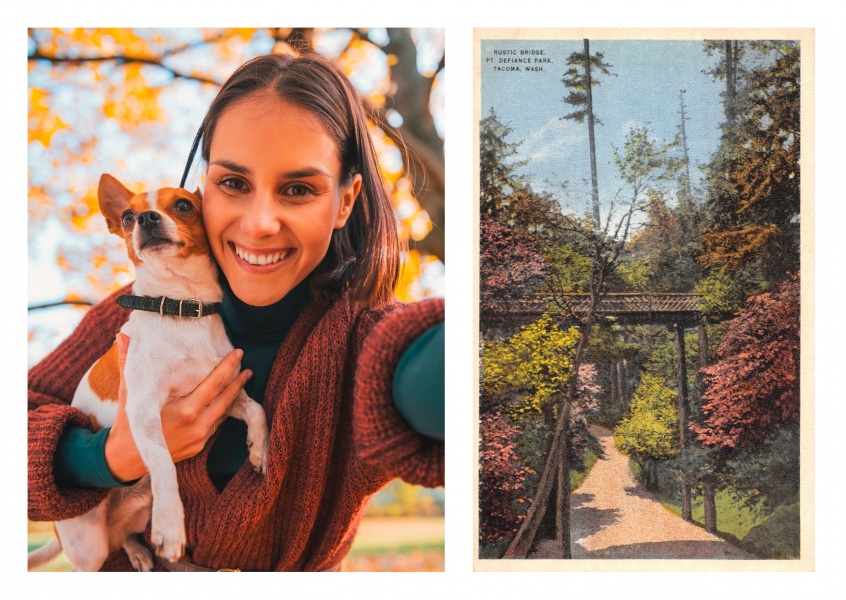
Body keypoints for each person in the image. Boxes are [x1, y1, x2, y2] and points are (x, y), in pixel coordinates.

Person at [28, 50, 445, 572]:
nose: (259, 224)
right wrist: (107, 457)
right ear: (204, 191)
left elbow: (436, 377)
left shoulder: (364, 342)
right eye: (234, 183)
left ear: (344, 201)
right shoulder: (127, 314)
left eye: (298, 189)